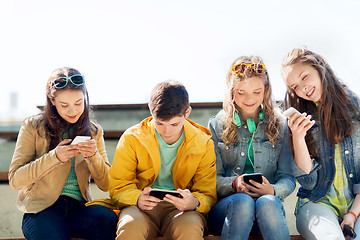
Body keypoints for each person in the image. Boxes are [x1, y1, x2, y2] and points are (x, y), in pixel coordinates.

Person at [8, 67, 118, 240]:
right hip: (41, 210)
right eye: (64, 105)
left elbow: (107, 184)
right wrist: (55, 157)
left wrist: (94, 156)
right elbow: (15, 179)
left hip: (78, 209)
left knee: (108, 220)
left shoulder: (94, 132)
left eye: (78, 103)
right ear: (52, 101)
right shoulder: (32, 126)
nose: (73, 111)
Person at [108, 80, 217, 240]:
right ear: (151, 113)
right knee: (130, 225)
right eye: (160, 123)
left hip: (182, 211)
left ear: (187, 113)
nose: (167, 131)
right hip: (140, 208)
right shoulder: (132, 138)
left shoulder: (203, 142)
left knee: (189, 229)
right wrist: (137, 198)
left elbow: (207, 193)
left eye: (174, 124)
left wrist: (193, 203)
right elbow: (118, 186)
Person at [207, 56, 296, 240]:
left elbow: (287, 177)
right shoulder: (217, 125)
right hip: (228, 210)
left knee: (269, 202)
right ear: (231, 91)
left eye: (257, 92)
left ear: (266, 90)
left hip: (266, 212)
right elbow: (210, 179)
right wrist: (234, 184)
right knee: (243, 201)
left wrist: (272, 190)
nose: (249, 99)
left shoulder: (280, 125)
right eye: (241, 92)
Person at [281, 48, 360, 240]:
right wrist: (298, 137)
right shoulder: (298, 119)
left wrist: (352, 215)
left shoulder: (356, 109)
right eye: (295, 87)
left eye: (304, 77)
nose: (302, 88)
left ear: (319, 67)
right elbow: (309, 182)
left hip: (356, 206)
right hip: (316, 203)